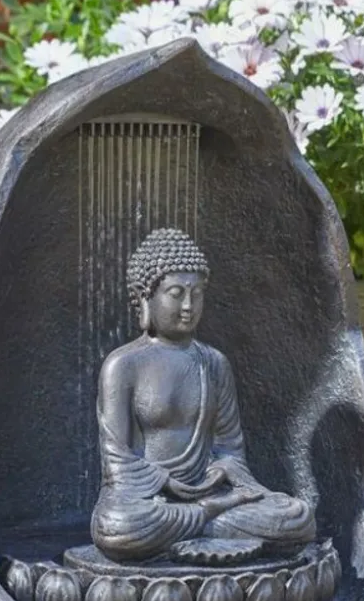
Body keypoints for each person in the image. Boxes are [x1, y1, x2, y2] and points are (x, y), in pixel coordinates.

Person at [90, 227, 316, 563]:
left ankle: (202, 521)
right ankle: (209, 518)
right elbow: (117, 463)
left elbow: (230, 449)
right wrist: (166, 483)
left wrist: (220, 473)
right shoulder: (122, 366)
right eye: (176, 293)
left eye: (196, 294)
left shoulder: (213, 363)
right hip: (150, 501)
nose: (188, 306)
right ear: (145, 297)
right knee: (116, 526)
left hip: (209, 494)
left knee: (296, 516)